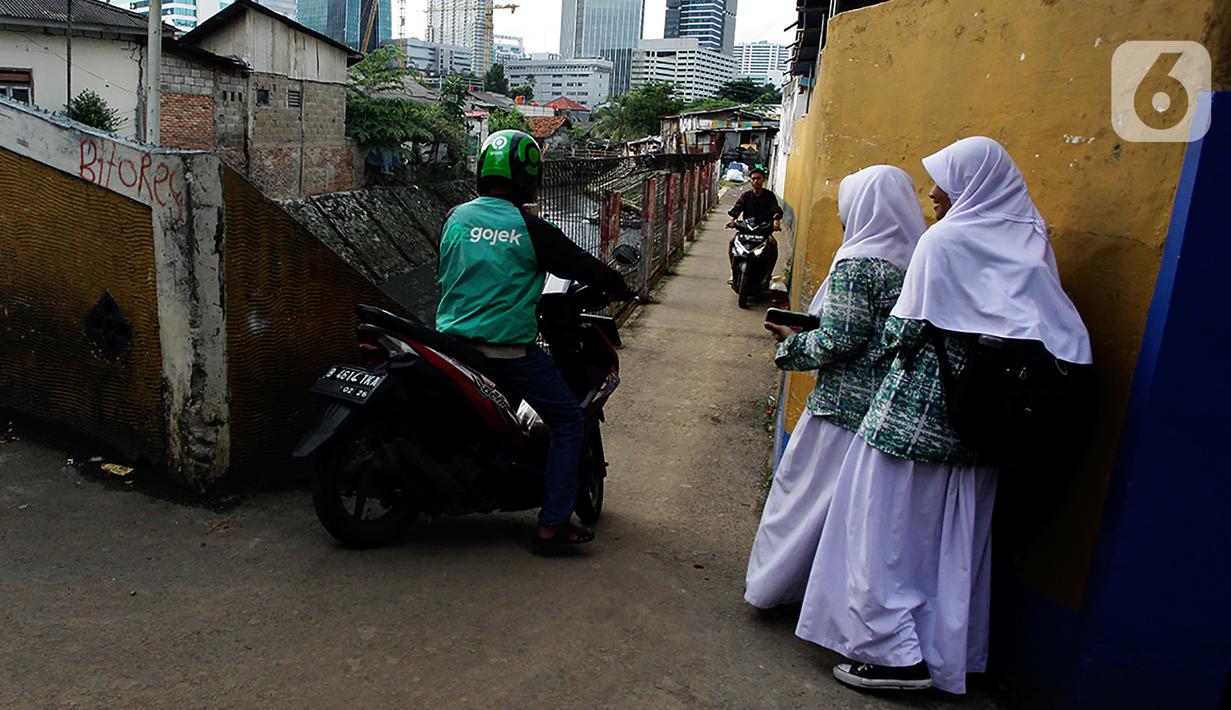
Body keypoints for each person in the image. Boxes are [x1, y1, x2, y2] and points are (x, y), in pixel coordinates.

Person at [796, 137, 1093, 693]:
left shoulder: (945, 241)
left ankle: (890, 654)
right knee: (950, 545)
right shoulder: (1032, 239)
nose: (933, 193)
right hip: (981, 426)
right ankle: (941, 653)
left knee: (883, 534)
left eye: (944, 182)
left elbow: (900, 333)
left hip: (912, 424)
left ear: (972, 186)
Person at [435, 129, 634, 552]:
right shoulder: (530, 229)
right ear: (529, 177)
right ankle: (552, 525)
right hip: (506, 352)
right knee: (569, 422)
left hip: (450, 345)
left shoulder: (455, 217)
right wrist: (620, 285)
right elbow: (582, 265)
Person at [746, 166, 926, 609]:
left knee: (801, 500)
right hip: (887, 412)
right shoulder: (919, 262)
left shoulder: (858, 264)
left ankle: (774, 587)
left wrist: (790, 345)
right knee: (858, 513)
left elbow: (839, 339)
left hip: (840, 409)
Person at [726, 165, 784, 287]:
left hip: (763, 230)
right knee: (732, 242)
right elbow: (737, 209)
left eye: (758, 178)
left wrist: (776, 222)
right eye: (753, 179)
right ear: (750, 180)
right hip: (747, 230)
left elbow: (775, 210)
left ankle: (767, 276)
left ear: (763, 180)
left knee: (772, 245)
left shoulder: (769, 196)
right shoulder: (746, 195)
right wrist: (733, 220)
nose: (755, 181)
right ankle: (733, 272)